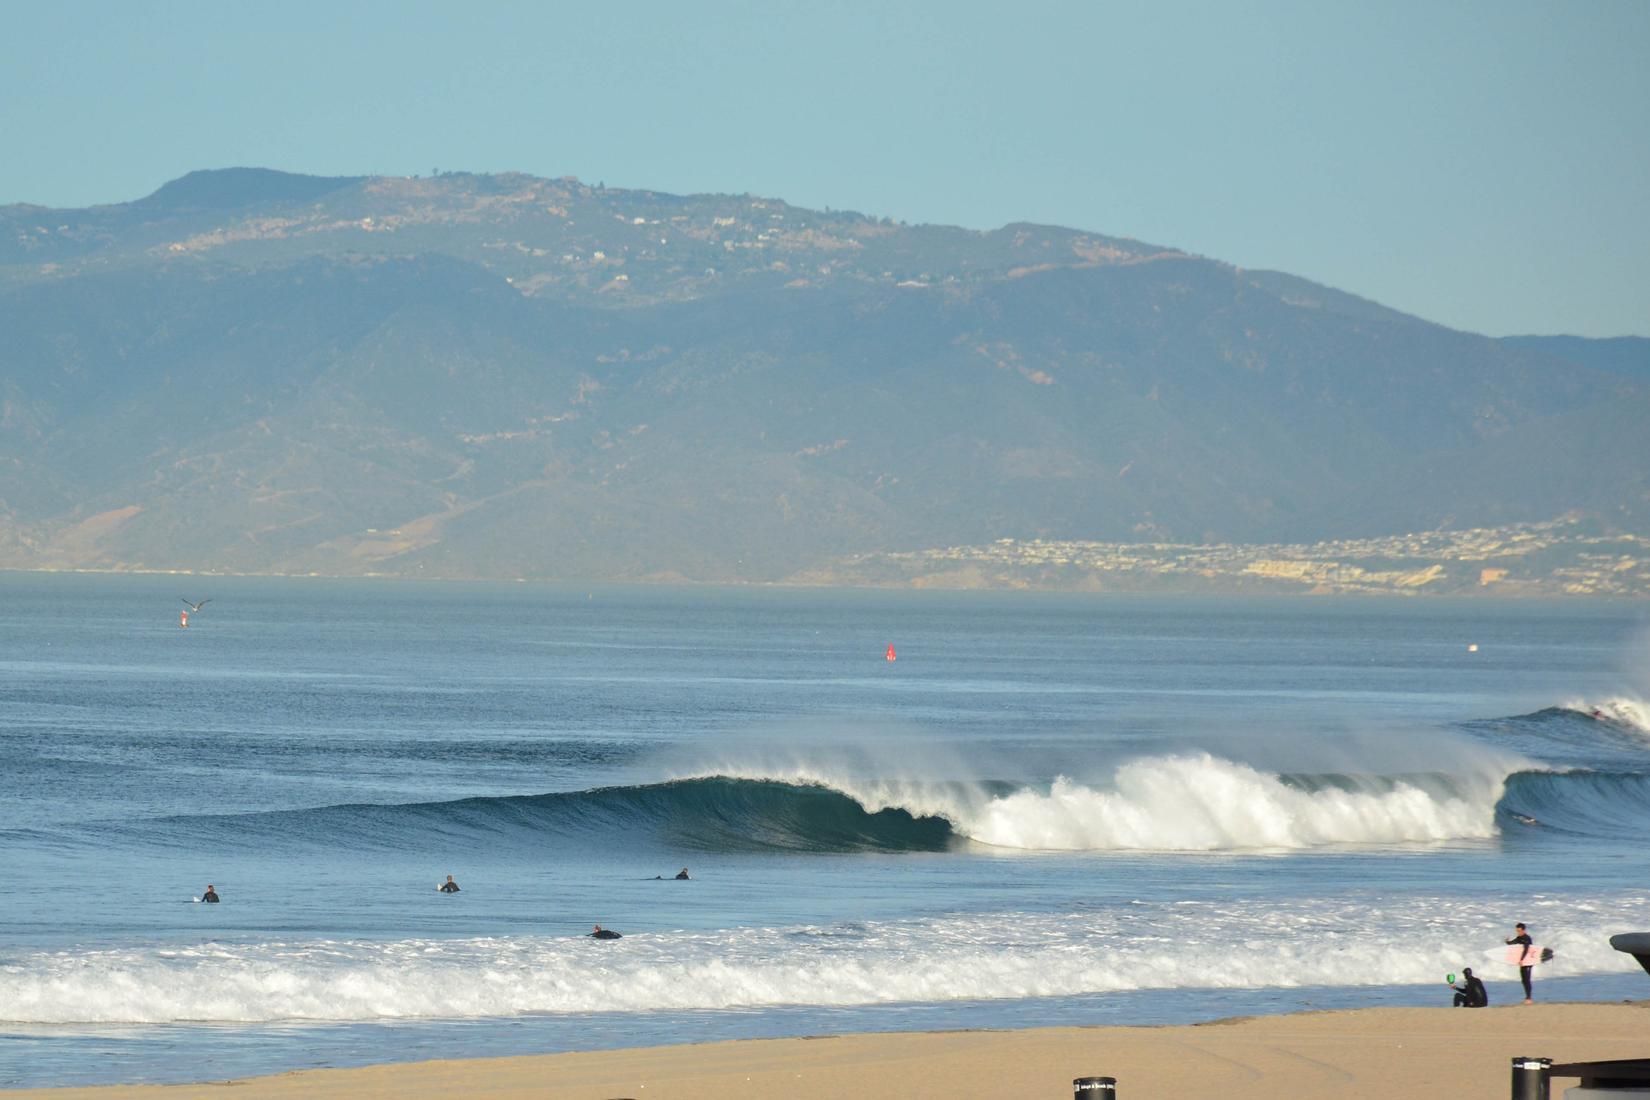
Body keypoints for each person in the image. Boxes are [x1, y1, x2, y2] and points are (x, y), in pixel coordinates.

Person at [1508, 922, 1535, 1004]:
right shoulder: (1519, 938)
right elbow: (1512, 943)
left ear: (1523, 930)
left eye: (1519, 931)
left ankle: (1529, 998)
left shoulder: (1527, 938)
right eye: (1517, 931)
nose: (1518, 932)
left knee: (1527, 980)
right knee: (1523, 980)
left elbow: (1526, 949)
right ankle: (1527, 997)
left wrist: (1522, 959)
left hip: (1528, 962)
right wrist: (1507, 941)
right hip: (1522, 962)